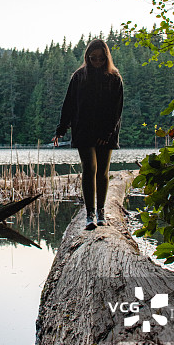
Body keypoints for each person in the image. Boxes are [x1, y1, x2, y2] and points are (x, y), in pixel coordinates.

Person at [52, 39, 123, 230]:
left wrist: (107, 133)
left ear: (106, 57)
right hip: (83, 129)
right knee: (89, 168)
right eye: (93, 58)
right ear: (88, 57)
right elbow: (69, 105)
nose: (97, 62)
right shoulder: (79, 77)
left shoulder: (114, 78)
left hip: (106, 131)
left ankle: (101, 212)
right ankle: (90, 214)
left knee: (102, 171)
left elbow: (116, 110)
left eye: (101, 59)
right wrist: (61, 130)